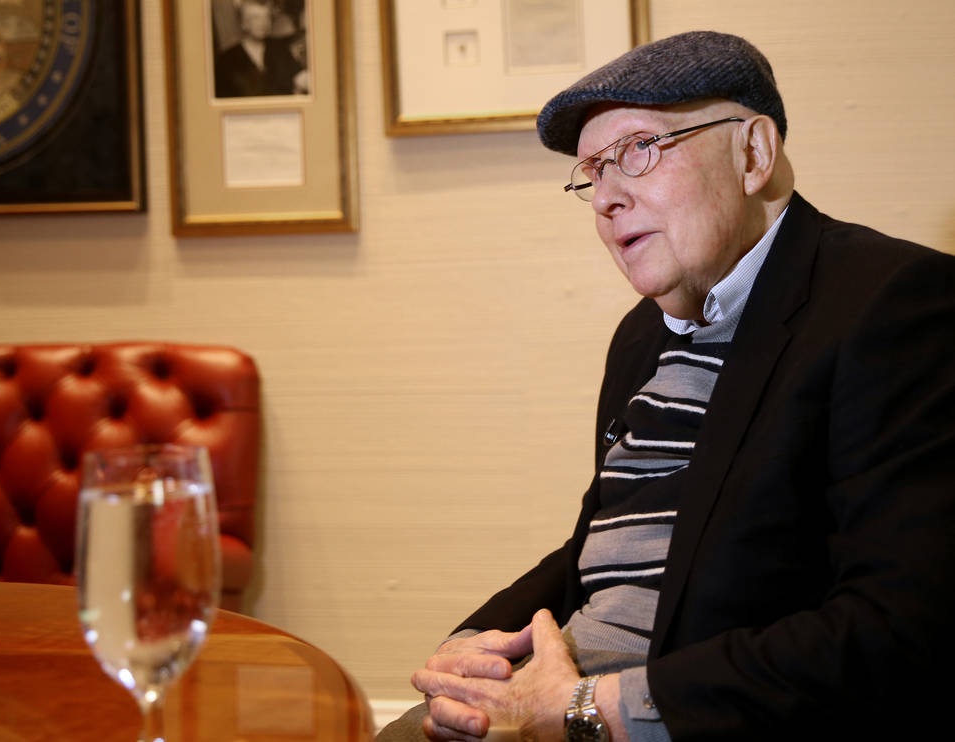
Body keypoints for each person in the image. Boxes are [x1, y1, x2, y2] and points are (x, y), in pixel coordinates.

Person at [378, 30, 955, 742]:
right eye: (593, 171)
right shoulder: (640, 336)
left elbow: (898, 625)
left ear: (752, 153)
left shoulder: (893, 302)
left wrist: (590, 711)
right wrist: (471, 645)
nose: (606, 198)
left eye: (639, 150)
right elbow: (599, 548)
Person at [213, 0, 303, 98]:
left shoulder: (280, 49)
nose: (263, 23)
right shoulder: (227, 60)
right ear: (243, 23)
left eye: (266, 17)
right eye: (256, 18)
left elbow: (298, 78)